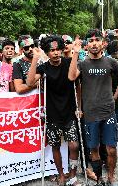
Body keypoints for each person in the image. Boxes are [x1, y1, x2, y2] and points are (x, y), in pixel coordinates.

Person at [68, 29, 118, 186]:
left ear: (103, 43)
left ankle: (111, 178)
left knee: (112, 149)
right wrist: (75, 52)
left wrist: (114, 97)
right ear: (87, 45)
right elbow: (71, 77)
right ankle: (99, 178)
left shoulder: (111, 62)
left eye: (97, 40)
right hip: (90, 114)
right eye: (91, 41)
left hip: (108, 112)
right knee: (94, 149)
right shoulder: (83, 63)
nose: (94, 43)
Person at [27, 35, 80, 186]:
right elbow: (30, 82)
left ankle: (73, 173)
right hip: (52, 113)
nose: (56, 53)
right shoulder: (44, 67)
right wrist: (35, 59)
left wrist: (75, 53)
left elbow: (72, 78)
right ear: (47, 52)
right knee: (55, 145)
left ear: (62, 49)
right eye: (52, 50)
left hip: (69, 111)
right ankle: (61, 174)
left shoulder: (69, 62)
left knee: (74, 145)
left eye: (58, 49)